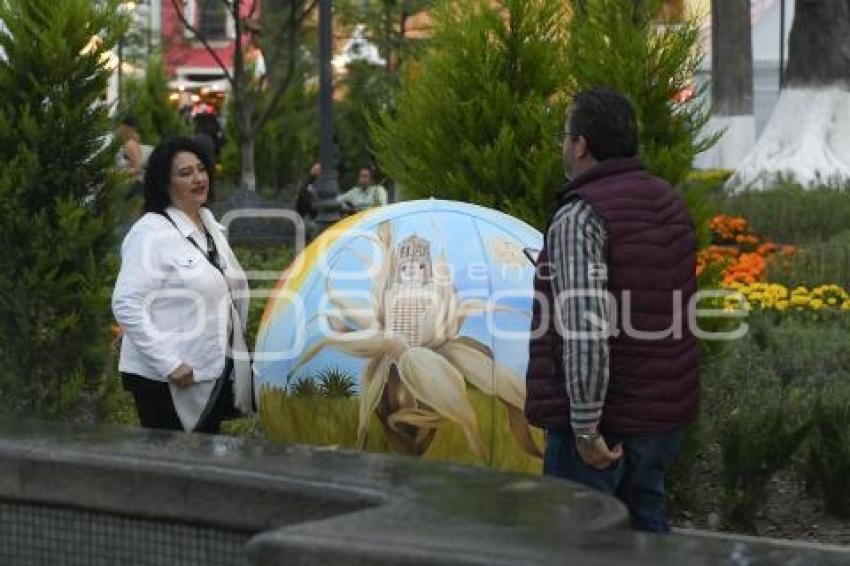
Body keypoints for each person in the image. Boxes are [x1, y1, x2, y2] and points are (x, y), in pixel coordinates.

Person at [524, 87, 699, 532]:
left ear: (581, 143)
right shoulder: (668, 200)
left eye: (566, 134)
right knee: (647, 534)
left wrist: (585, 431)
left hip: (603, 430)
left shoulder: (581, 215)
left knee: (581, 547)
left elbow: (586, 328)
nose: (563, 144)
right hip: (659, 421)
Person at [112, 136, 253, 434]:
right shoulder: (150, 232)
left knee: (202, 463)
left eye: (201, 169)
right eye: (185, 173)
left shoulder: (209, 226)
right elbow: (126, 303)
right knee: (173, 469)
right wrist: (170, 364)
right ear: (165, 183)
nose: (198, 178)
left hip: (210, 369)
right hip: (165, 378)